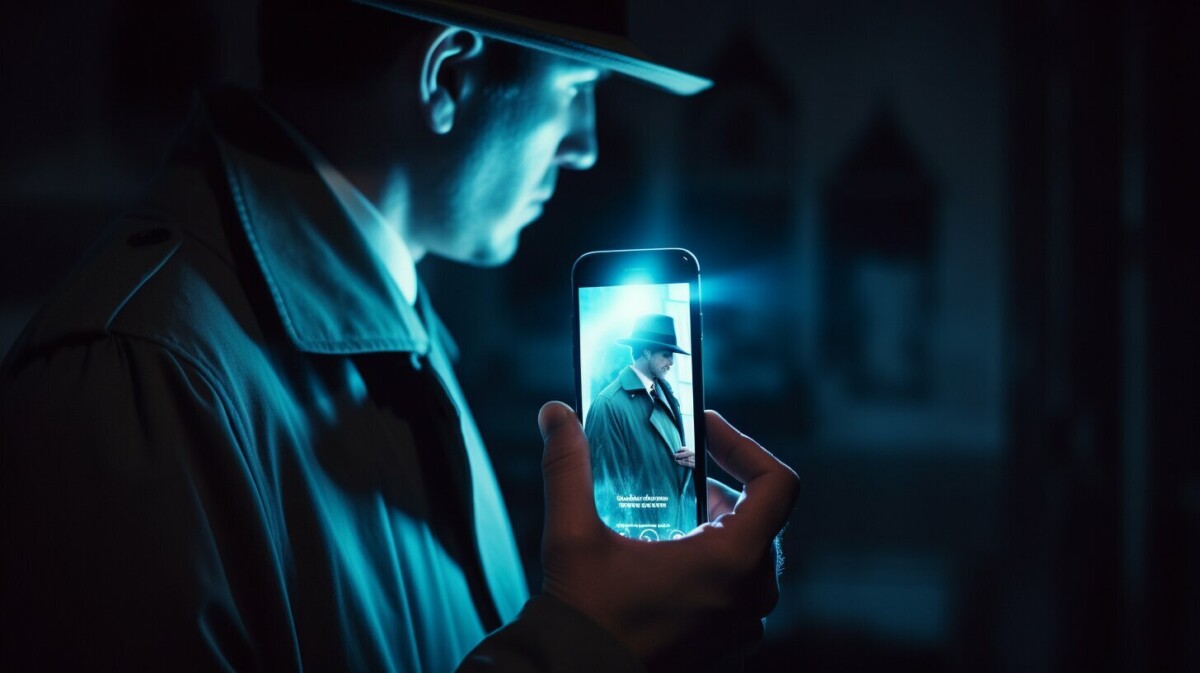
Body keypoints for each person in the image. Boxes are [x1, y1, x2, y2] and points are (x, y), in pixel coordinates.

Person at [0, 1, 800, 671]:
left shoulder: (394, 337)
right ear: (450, 74)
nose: (586, 145)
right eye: (577, 88)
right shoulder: (132, 374)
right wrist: (598, 643)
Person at [586, 314, 697, 541]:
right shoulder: (608, 405)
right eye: (666, 354)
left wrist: (694, 464)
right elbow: (607, 495)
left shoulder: (667, 396)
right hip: (640, 545)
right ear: (647, 352)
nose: (672, 362)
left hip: (677, 538)